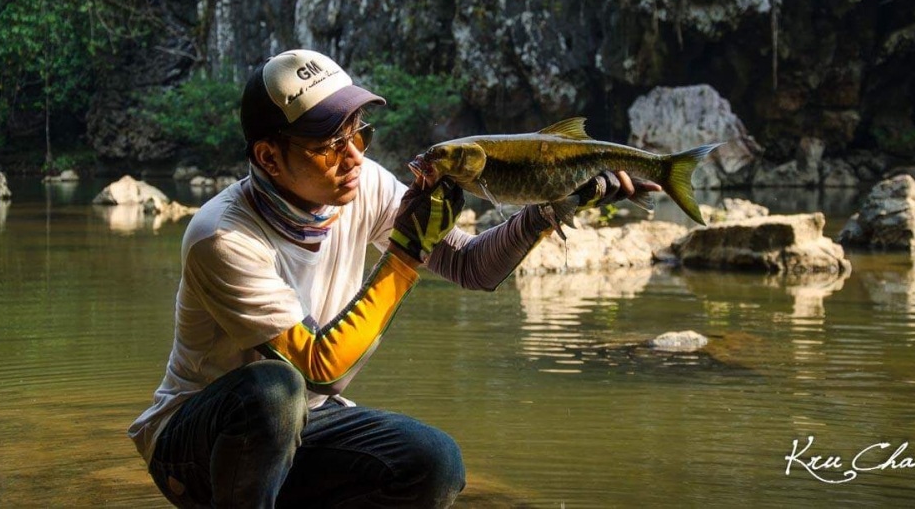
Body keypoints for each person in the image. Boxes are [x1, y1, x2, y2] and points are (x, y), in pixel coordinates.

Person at [128, 49, 649, 508]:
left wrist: (546, 210)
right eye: (331, 144)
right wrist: (405, 253)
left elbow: (471, 266)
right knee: (273, 389)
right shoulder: (223, 237)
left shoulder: (365, 185)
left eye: (360, 134)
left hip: (303, 426)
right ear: (269, 157)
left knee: (435, 462)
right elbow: (319, 368)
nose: (355, 157)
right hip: (195, 444)